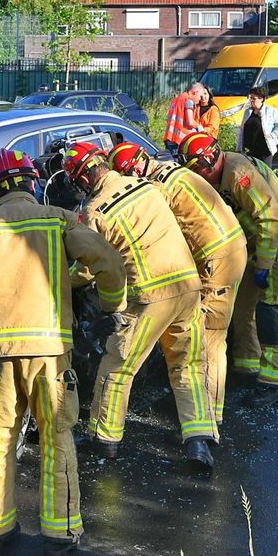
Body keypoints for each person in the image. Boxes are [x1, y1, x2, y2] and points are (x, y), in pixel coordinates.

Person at [0, 148, 127, 556]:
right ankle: (60, 535)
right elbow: (107, 261)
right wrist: (113, 306)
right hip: (48, 355)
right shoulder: (56, 219)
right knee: (56, 436)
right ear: (32, 182)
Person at [65, 141, 217, 469]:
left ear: (84, 178)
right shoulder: (146, 187)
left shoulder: (96, 212)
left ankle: (104, 441)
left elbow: (90, 267)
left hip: (149, 298)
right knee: (188, 365)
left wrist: (64, 279)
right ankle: (198, 442)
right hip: (188, 287)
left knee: (117, 367)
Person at [109, 141, 247, 427]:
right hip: (230, 247)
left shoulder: (157, 187)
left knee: (209, 338)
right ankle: (204, 411)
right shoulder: (171, 171)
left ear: (134, 168)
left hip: (215, 259)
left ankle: (210, 415)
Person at [178, 131, 278, 407]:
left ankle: (274, 384)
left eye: (196, 172)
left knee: (274, 316)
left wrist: (263, 264)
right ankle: (247, 368)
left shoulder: (238, 174)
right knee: (242, 308)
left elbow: (270, 218)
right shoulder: (221, 174)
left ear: (205, 164)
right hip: (255, 249)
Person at [236, 86, 278, 165]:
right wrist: (239, 148)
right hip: (249, 151)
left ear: (261, 99)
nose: (251, 101)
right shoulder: (248, 112)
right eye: (250, 98)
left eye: (254, 98)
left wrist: (273, 134)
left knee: (264, 175)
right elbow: (242, 131)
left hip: (264, 151)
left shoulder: (270, 111)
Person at [162, 83, 204, 154]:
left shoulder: (178, 99)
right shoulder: (189, 101)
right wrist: (199, 127)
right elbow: (190, 122)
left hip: (170, 137)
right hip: (179, 140)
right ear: (194, 92)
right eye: (200, 96)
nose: (200, 99)